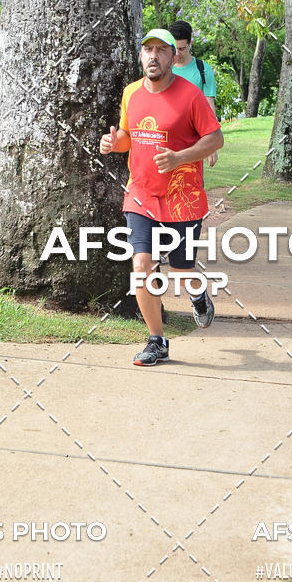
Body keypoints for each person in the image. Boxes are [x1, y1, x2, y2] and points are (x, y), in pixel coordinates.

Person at [99, 28, 223, 366]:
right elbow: (128, 136)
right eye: (147, 50)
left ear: (173, 56)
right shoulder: (131, 93)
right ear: (141, 56)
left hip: (183, 197)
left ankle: (197, 294)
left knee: (182, 268)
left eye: (161, 50)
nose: (153, 56)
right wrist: (114, 143)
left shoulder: (191, 95)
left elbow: (215, 139)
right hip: (140, 194)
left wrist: (180, 158)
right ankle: (157, 341)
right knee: (141, 265)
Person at [169, 20, 218, 167]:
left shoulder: (203, 70)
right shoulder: (163, 69)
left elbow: (209, 107)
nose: (178, 53)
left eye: (182, 48)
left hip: (192, 142)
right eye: (175, 48)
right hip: (166, 137)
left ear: (191, 43)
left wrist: (212, 144)